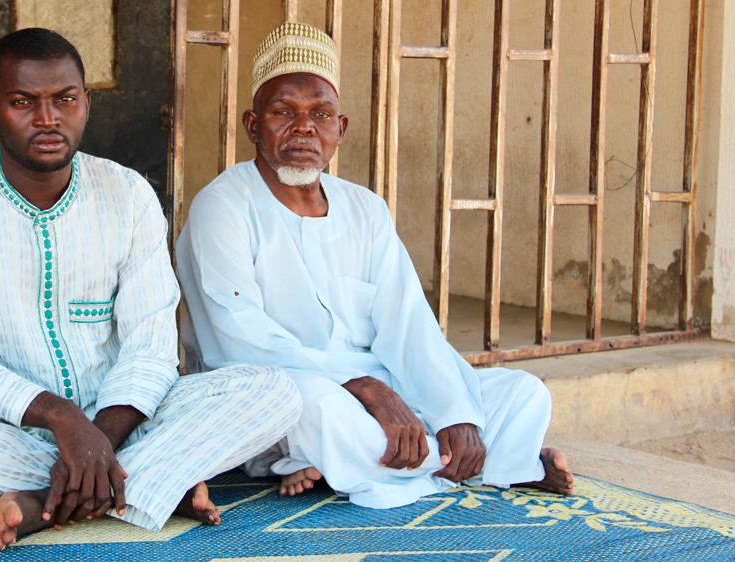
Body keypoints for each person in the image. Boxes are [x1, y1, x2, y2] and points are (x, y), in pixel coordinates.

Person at [0, 28, 302, 552]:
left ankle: (42, 500)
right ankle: (141, 484)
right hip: (4, 421)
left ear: (86, 102)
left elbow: (151, 346)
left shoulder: (128, 193)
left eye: (65, 100)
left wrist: (98, 435)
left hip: (121, 420)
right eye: (23, 102)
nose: (48, 119)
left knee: (274, 390)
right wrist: (60, 418)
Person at [176, 22, 574, 510]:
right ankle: (495, 464)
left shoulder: (366, 208)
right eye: (283, 112)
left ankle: (394, 462)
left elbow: (407, 323)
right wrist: (365, 388)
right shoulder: (223, 206)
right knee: (319, 409)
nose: (304, 128)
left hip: (376, 382)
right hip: (277, 382)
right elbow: (240, 336)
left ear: (339, 130)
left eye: (320, 114)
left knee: (521, 391)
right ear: (253, 125)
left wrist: (453, 412)